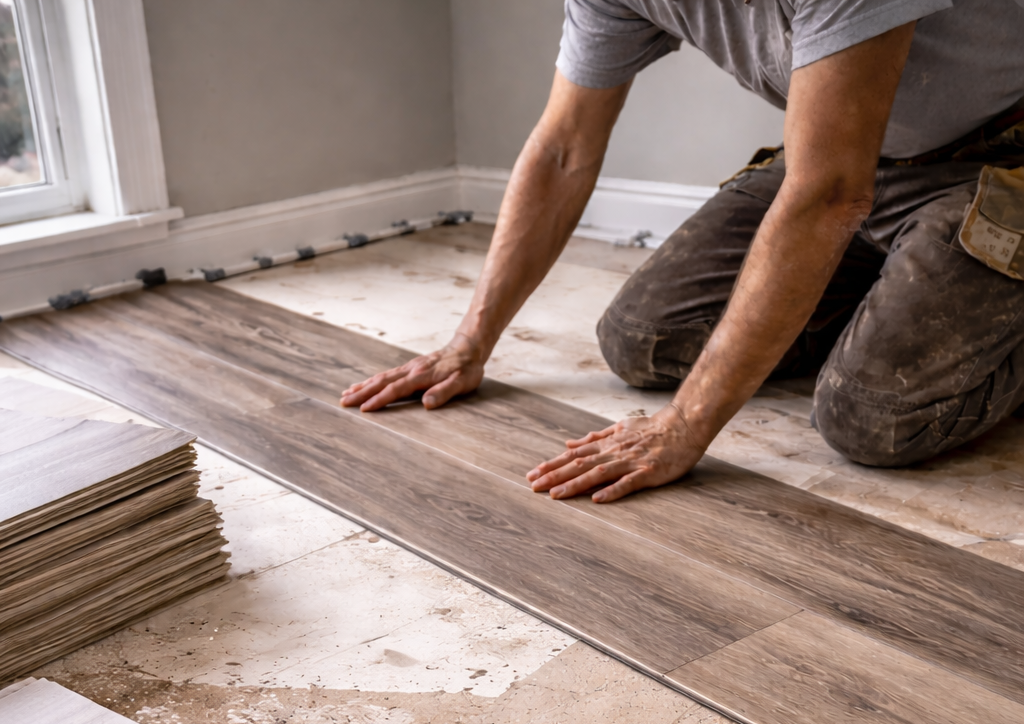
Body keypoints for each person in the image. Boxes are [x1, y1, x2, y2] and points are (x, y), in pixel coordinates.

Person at [341, 0, 1024, 506]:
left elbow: (829, 197)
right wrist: (470, 341)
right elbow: (562, 149)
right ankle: (930, 287)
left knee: (875, 416)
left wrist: (688, 425)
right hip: (853, 153)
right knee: (643, 339)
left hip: (1001, 157)